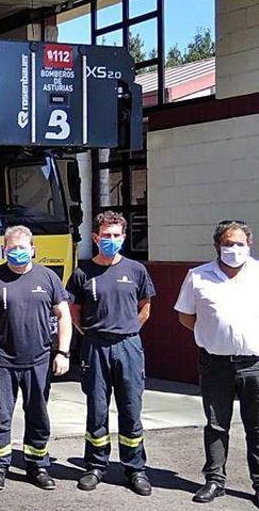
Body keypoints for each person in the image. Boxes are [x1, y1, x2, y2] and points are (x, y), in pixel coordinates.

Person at [175, 221, 259, 511]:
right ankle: (214, 481)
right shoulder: (197, 276)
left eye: (240, 244)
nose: (234, 249)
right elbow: (185, 316)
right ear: (217, 246)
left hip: (256, 364)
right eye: (228, 244)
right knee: (216, 425)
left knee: (258, 427)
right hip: (215, 364)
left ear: (249, 245)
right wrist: (213, 336)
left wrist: (250, 337)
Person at [0, 225, 71, 492]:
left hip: (38, 360)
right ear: (4, 250)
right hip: (2, 360)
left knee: (38, 414)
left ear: (33, 250)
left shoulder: (48, 277)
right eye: (12, 248)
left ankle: (37, 465)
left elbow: (64, 316)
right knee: (0, 416)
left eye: (22, 248)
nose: (17, 252)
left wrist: (62, 352)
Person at [66, 211, 156, 496]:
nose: (111, 240)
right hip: (95, 347)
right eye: (106, 236)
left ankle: (135, 469)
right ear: (95, 238)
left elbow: (145, 308)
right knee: (97, 410)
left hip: (128, 346)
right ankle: (95, 466)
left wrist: (126, 330)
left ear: (124, 238)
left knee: (131, 409)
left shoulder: (136, 270)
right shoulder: (82, 273)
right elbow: (74, 311)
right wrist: (93, 334)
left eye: (117, 236)